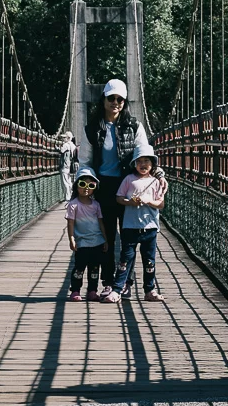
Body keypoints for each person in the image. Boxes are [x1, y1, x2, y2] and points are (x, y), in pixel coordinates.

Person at [78, 78, 151, 300]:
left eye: (120, 99)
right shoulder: (91, 129)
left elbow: (144, 156)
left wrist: (158, 174)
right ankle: (109, 282)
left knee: (129, 238)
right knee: (106, 237)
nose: (116, 103)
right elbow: (85, 163)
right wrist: (85, 189)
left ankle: (125, 282)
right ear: (104, 100)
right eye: (112, 98)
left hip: (129, 186)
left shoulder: (135, 126)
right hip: (103, 188)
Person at [103, 144, 166, 303]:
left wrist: (149, 201)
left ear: (153, 164)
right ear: (134, 164)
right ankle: (117, 290)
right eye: (139, 161)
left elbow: (161, 204)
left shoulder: (155, 181)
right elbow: (119, 198)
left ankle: (149, 290)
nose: (143, 165)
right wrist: (129, 202)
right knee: (125, 259)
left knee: (149, 260)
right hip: (130, 226)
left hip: (150, 227)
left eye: (147, 161)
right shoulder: (128, 179)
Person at [66, 166, 108, 302]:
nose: (86, 188)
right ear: (76, 185)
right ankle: (75, 290)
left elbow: (101, 223)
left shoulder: (96, 205)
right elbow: (70, 223)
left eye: (91, 185)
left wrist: (105, 239)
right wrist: (71, 239)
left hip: (97, 241)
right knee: (79, 267)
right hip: (82, 241)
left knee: (95, 268)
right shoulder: (73, 205)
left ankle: (92, 291)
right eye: (82, 184)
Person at [59, 131, 77, 202]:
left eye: (64, 137)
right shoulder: (73, 145)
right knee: (69, 181)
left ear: (68, 138)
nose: (63, 139)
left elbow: (61, 150)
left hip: (64, 166)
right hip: (70, 166)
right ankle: (71, 195)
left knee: (65, 182)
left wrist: (57, 147)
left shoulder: (66, 145)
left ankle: (67, 197)